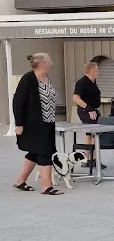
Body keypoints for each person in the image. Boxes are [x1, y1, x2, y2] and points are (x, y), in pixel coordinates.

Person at [12, 52, 62, 195]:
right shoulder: (28, 79)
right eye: (49, 61)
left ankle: (20, 181)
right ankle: (47, 186)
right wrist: (19, 123)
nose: (51, 64)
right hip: (33, 123)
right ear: (42, 63)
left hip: (48, 121)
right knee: (44, 152)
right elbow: (18, 102)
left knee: (35, 151)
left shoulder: (45, 77)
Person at [72, 60, 104, 169]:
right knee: (92, 133)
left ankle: (91, 159)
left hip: (93, 110)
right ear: (92, 71)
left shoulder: (93, 82)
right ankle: (88, 158)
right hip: (86, 111)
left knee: (91, 134)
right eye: (97, 70)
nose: (98, 72)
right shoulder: (82, 82)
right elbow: (75, 98)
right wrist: (89, 109)